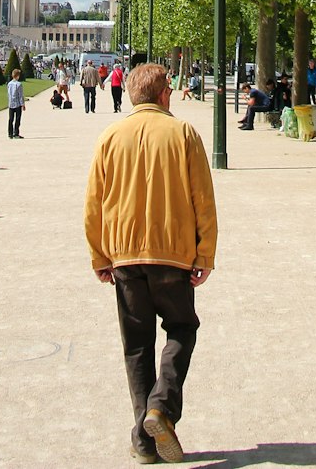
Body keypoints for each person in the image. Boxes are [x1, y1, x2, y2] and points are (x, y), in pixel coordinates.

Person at [84, 62, 217, 466]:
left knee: (137, 347)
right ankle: (161, 407)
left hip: (124, 256)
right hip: (172, 254)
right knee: (182, 329)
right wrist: (205, 253)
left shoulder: (110, 136)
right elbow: (203, 200)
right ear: (163, 95)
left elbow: (93, 204)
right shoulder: (183, 133)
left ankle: (144, 443)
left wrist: (98, 255)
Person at [8, 67, 26, 138]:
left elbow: (9, 94)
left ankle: (10, 133)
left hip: (11, 103)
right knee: (17, 119)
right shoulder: (19, 84)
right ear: (17, 76)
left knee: (10, 119)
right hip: (17, 104)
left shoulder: (9, 84)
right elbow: (20, 95)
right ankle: (16, 133)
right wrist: (23, 104)